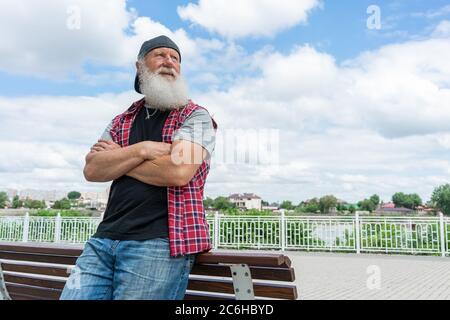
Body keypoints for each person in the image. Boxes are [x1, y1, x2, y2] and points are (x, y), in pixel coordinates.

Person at [60, 35, 217, 300]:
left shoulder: (195, 116)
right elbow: (93, 170)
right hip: (103, 240)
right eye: (160, 55)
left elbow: (177, 172)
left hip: (159, 243)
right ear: (140, 66)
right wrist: (141, 150)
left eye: (175, 58)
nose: (169, 62)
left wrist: (118, 159)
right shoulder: (121, 120)